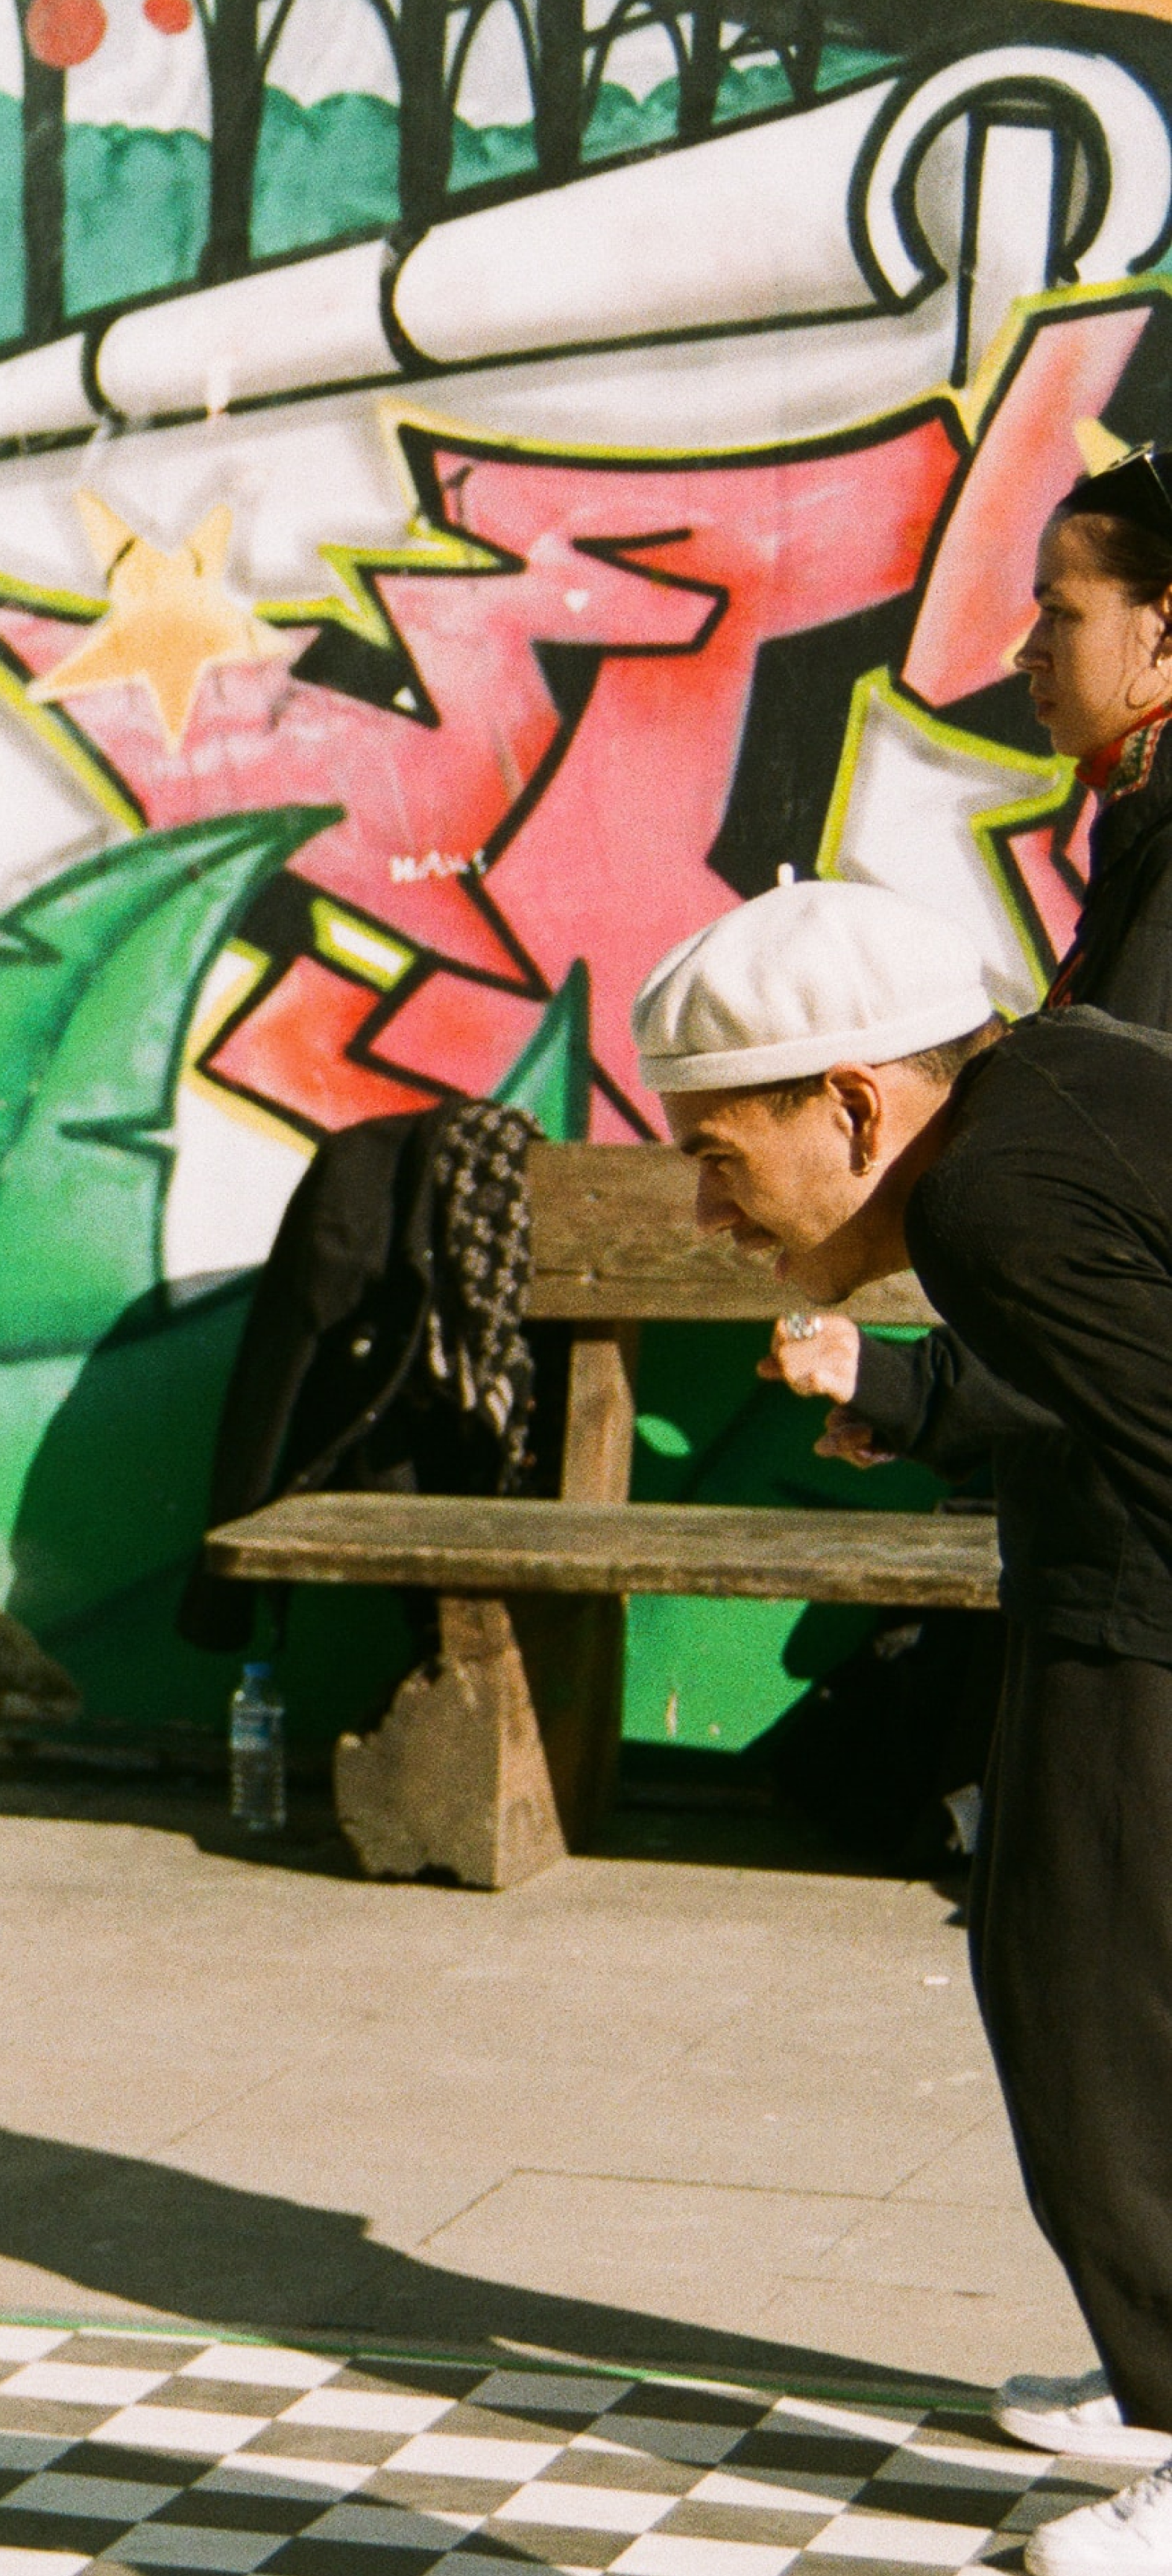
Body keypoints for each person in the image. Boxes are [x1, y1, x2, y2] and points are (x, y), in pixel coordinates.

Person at [627, 877, 1172, 2574]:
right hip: (1118, 1598)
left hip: (1141, 1625)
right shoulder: (1044, 1102)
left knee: (1083, 2016)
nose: (707, 1210)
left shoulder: (991, 1198)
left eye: (720, 1153)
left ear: (854, 1100)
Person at [763, 451, 1172, 2471]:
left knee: (1095, 1995)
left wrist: (923, 1396)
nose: (1026, 651)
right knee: (1089, 1984)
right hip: (1113, 1531)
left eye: (1066, 608)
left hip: (1144, 1568)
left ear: (1167, 636)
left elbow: (1127, 1283)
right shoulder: (1148, 844)